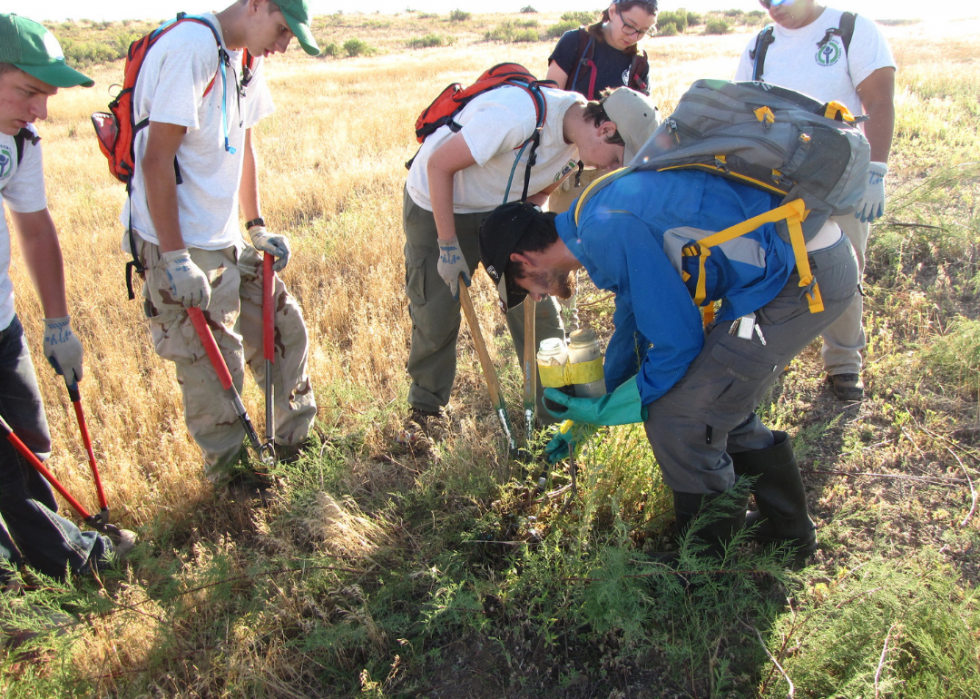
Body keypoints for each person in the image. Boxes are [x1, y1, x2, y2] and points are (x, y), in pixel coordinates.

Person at [478, 167, 859, 559]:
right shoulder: (589, 216)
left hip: (801, 274)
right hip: (794, 260)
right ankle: (785, 532)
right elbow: (633, 326)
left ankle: (703, 562)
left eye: (521, 285)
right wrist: (589, 417)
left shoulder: (603, 233)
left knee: (679, 413)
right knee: (712, 392)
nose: (536, 298)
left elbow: (678, 342)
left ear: (521, 258)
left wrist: (614, 407)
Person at [124, 0, 319, 485]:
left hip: (227, 234)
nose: (281, 45)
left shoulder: (245, 59)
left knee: (283, 327)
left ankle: (296, 445)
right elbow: (154, 159)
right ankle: (231, 484)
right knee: (214, 368)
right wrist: (174, 259)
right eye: (280, 30)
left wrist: (255, 225)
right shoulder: (192, 47)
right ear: (256, 5)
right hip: (181, 241)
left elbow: (243, 142)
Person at [403, 85, 658, 435]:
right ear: (606, 129)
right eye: (614, 160)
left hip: (501, 210)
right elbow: (438, 165)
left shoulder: (578, 147)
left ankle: (551, 415)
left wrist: (528, 235)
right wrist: (448, 246)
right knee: (438, 310)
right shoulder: (516, 115)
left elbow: (542, 190)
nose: (608, 169)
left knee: (538, 306)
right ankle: (425, 412)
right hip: (441, 202)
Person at [0, 13, 135, 587]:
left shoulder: (16, 140)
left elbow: (33, 227)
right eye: (29, 91)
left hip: (2, 326)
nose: (41, 111)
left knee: (31, 444)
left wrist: (58, 325)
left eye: (45, 96)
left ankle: (46, 559)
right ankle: (54, 571)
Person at [735, 0, 896, 401]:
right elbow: (742, 108)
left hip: (843, 175)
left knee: (844, 268)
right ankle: (772, 357)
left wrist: (876, 170)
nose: (773, 7)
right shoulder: (762, 43)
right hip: (780, 180)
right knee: (776, 269)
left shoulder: (850, 30)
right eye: (763, 0)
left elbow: (878, 102)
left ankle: (844, 363)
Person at [546, 0, 658, 213]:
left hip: (614, 169)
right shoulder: (576, 42)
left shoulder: (639, 61)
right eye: (630, 26)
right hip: (568, 166)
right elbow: (551, 101)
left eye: (643, 31)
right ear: (613, 11)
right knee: (563, 236)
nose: (633, 36)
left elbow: (639, 120)